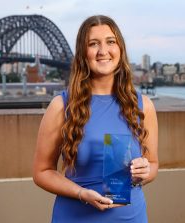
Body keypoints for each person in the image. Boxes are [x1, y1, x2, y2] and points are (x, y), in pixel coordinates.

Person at [33, 15, 158, 223]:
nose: (103, 51)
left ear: (120, 49)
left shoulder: (143, 106)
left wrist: (144, 171)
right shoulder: (62, 106)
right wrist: (81, 193)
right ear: (83, 53)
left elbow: (153, 164)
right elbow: (41, 172)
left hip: (131, 217)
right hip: (76, 217)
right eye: (93, 44)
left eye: (110, 42)